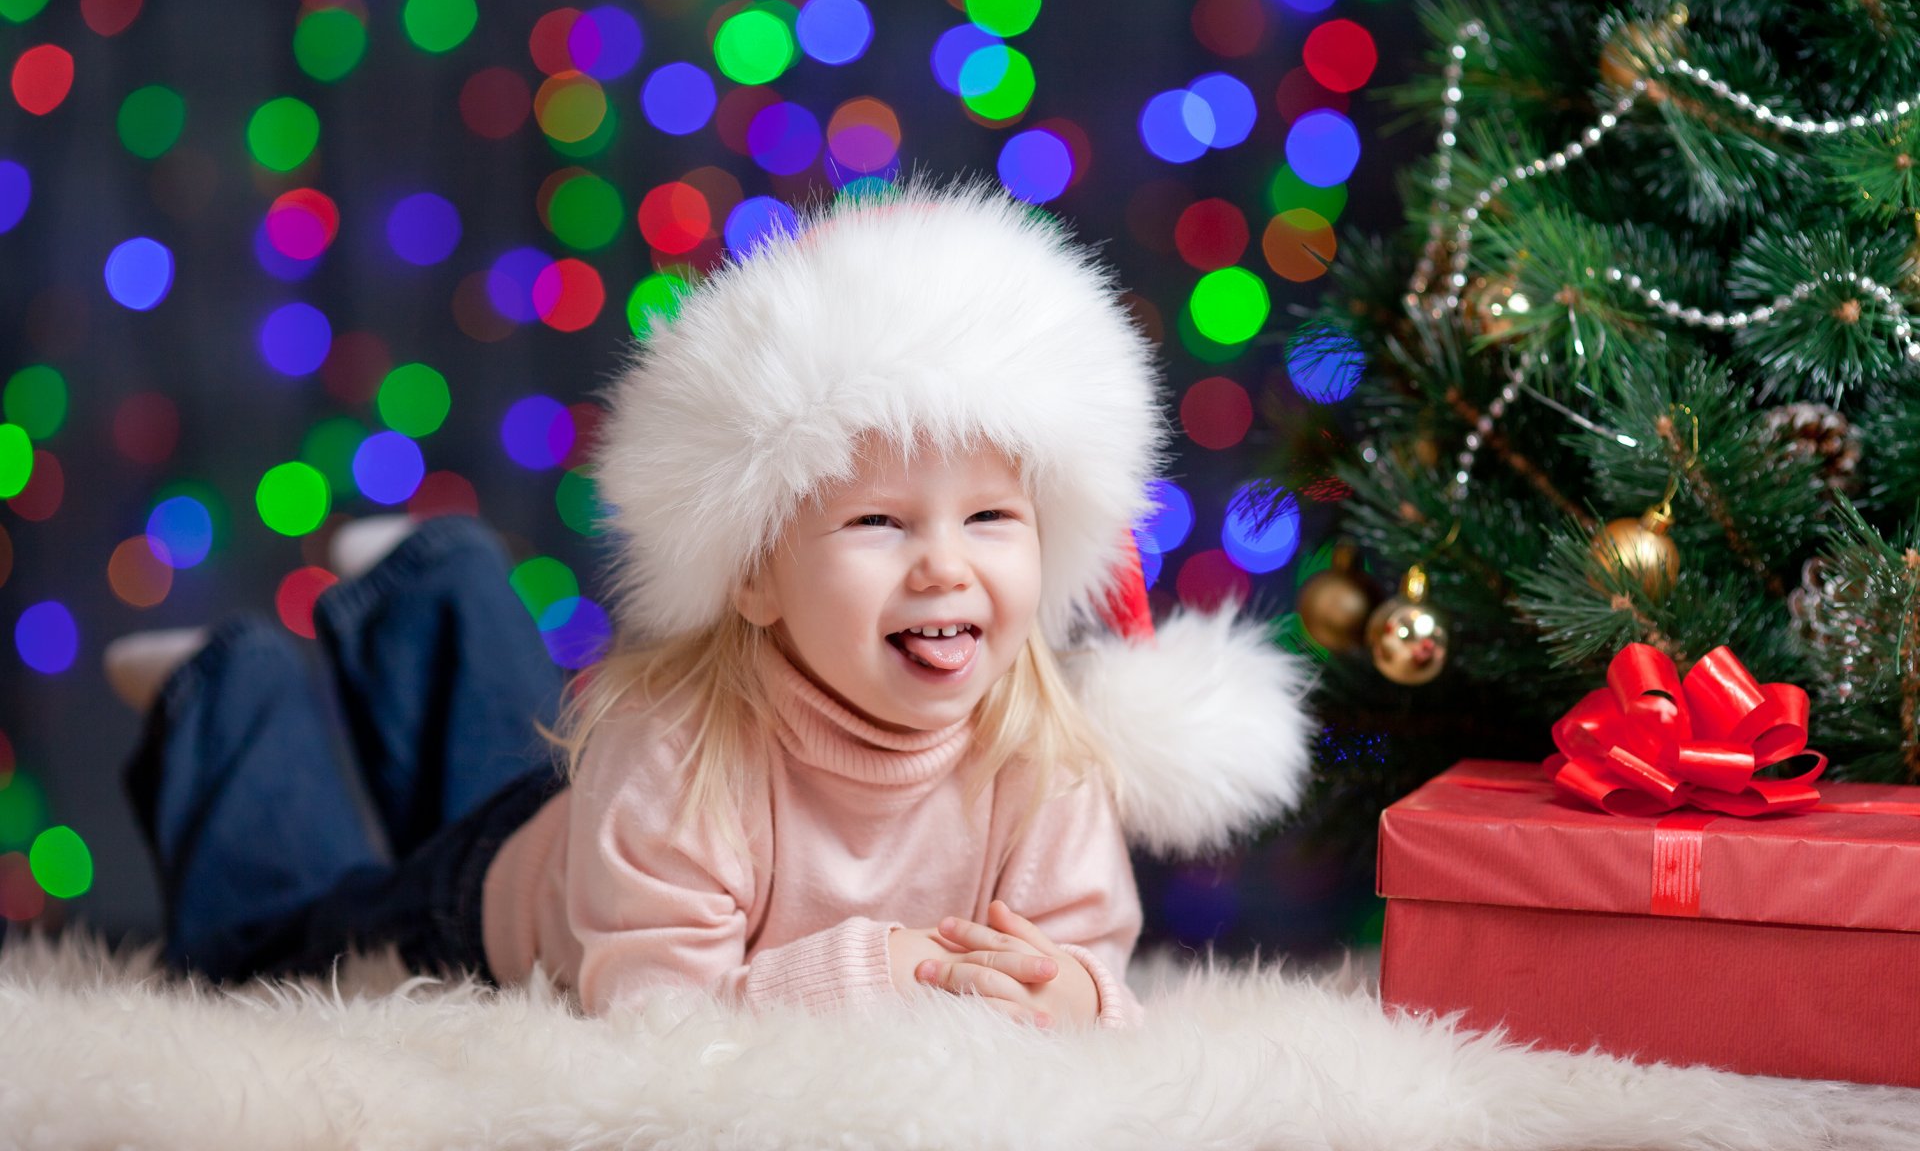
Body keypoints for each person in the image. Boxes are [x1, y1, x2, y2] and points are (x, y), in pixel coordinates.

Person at [114, 176, 1317, 1032]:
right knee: (277, 946)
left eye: (991, 519)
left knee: (499, 761)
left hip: (608, 833)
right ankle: (226, 692)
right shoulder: (678, 750)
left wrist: (1075, 993)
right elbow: (654, 1013)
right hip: (509, 901)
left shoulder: (1043, 756)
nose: (946, 566)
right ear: (752, 571)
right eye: (879, 521)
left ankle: (435, 585)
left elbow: (1083, 953)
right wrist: (874, 967)